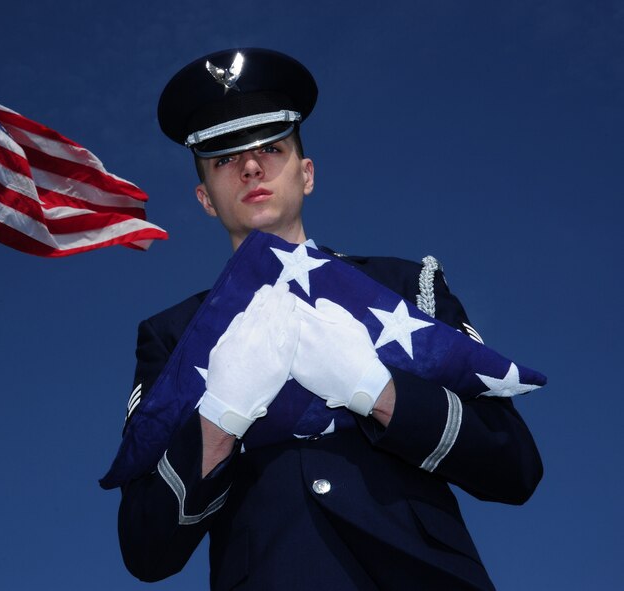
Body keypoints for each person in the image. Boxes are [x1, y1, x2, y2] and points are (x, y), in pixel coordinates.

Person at [115, 48, 542, 590]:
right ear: (205, 198)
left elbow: (516, 465)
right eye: (224, 159)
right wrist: (219, 419)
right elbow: (145, 547)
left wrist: (378, 390)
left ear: (307, 174)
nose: (250, 166)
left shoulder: (405, 287)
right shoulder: (173, 336)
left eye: (272, 147)